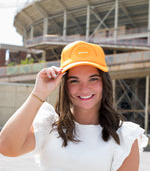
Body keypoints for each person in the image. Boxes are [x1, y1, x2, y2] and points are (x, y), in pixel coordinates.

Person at [0, 41, 148, 171]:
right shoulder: (49, 124)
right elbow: (7, 147)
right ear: (65, 85)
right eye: (74, 81)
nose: (84, 88)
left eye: (93, 79)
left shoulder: (124, 135)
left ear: (104, 83)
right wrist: (38, 93)